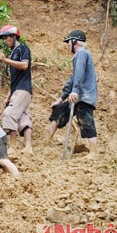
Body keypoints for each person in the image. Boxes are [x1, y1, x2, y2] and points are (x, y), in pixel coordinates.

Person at [50, 29, 98, 158]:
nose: (67, 45)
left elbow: (79, 75)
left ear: (74, 41)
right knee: (59, 110)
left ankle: (93, 153)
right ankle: (47, 142)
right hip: (77, 97)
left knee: (87, 123)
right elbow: (73, 78)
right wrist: (61, 99)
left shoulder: (81, 53)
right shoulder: (79, 56)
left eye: (68, 42)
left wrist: (75, 90)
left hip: (84, 97)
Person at [0, 25, 33, 155]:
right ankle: (28, 147)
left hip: (23, 89)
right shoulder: (12, 54)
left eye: (7, 38)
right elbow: (14, 80)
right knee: (24, 118)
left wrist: (5, 60)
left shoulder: (23, 49)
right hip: (18, 89)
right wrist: (7, 97)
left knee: (9, 114)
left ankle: (12, 146)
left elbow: (24, 65)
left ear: (14, 37)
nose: (5, 41)